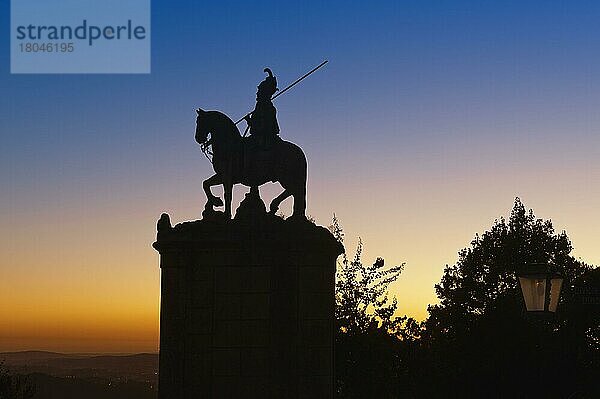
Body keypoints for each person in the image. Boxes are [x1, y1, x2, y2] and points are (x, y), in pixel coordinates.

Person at [244, 68, 280, 148]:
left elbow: (263, 126)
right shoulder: (260, 106)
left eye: (259, 90)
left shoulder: (267, 107)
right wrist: (249, 121)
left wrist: (250, 121)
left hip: (264, 139)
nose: (257, 93)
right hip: (259, 136)